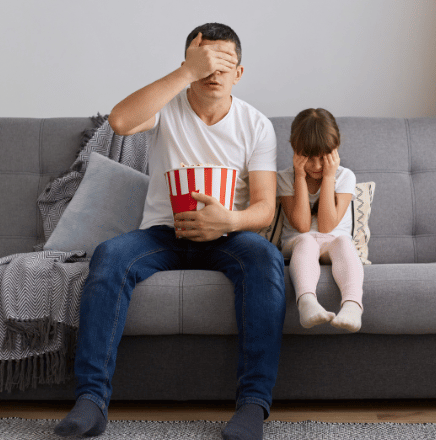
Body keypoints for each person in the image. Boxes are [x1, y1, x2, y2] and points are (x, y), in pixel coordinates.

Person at [54, 23, 286, 440]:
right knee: (109, 255)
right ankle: (91, 401)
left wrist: (229, 220)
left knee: (265, 257)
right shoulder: (168, 106)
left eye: (224, 63)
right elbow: (122, 121)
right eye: (205, 62)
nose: (214, 71)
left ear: (240, 72)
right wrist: (184, 72)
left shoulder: (256, 125)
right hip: (162, 233)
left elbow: (266, 209)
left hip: (227, 236)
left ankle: (252, 407)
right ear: (191, 64)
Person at [277, 108, 364, 332]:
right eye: (308, 157)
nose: (316, 166)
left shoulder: (344, 176)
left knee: (344, 242)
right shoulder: (285, 178)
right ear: (295, 151)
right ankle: (307, 303)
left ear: (335, 150)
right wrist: (299, 176)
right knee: (307, 240)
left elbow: (326, 227)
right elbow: (303, 226)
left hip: (333, 242)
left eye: (323, 158)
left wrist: (329, 176)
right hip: (298, 243)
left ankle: (353, 306)